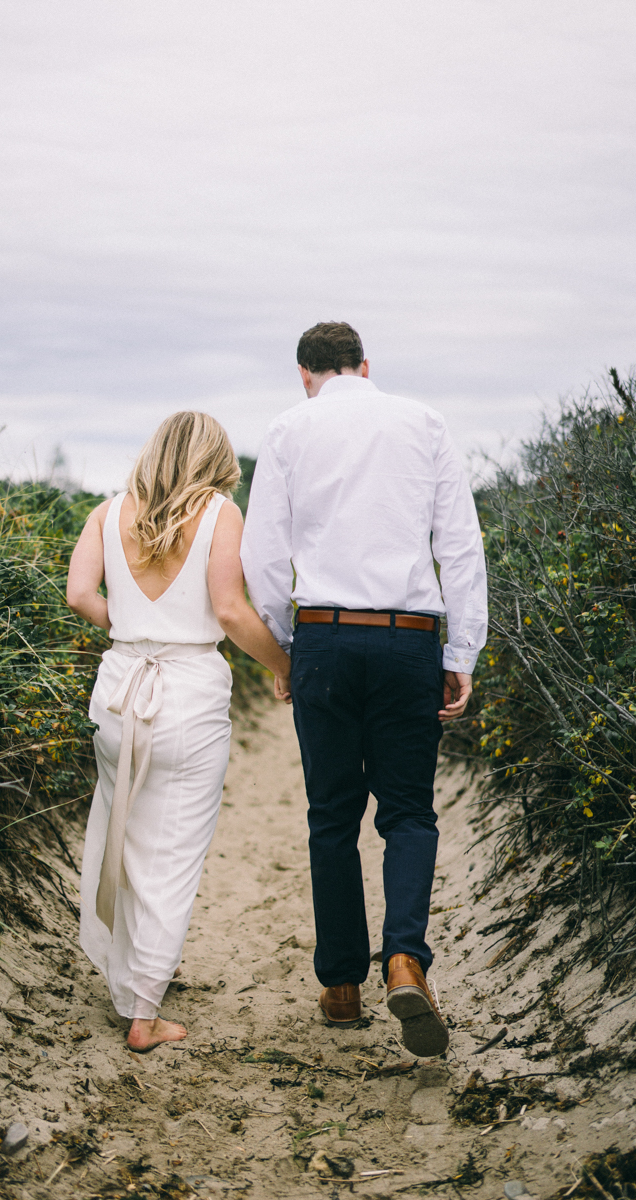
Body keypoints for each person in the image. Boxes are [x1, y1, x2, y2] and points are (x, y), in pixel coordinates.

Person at [241, 322, 487, 1057]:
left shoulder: (289, 428)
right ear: (365, 366)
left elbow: (263, 556)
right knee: (409, 811)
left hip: (325, 634)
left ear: (304, 373)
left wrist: (287, 648)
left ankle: (342, 986)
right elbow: (460, 544)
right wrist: (462, 648)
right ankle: (406, 960)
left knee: (331, 815)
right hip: (410, 636)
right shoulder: (424, 423)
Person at [66, 411, 291, 1052]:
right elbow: (228, 609)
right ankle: (144, 1012)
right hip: (186, 697)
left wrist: (136, 628)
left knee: (126, 834)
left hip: (117, 692)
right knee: (172, 855)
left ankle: (133, 969)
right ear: (213, 459)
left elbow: (80, 594)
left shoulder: (108, 514)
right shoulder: (221, 514)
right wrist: (285, 665)